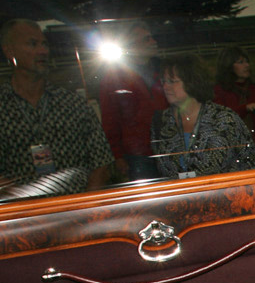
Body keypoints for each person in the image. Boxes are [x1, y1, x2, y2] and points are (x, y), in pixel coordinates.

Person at [0, 19, 113, 193]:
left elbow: (101, 162)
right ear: (9, 51)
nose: (43, 51)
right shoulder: (3, 106)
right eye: (32, 44)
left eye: (44, 44)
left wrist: (84, 208)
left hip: (78, 207)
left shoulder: (72, 104)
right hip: (21, 214)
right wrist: (27, 208)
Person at [151, 54, 255, 178]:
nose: (165, 87)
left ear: (192, 82)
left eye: (172, 81)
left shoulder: (224, 119)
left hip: (224, 194)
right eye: (164, 81)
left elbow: (249, 163)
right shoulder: (162, 121)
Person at [98, 23, 167, 181]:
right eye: (146, 39)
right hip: (137, 156)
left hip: (167, 149)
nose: (153, 42)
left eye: (151, 37)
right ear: (132, 45)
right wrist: (118, 156)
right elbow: (110, 119)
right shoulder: (114, 78)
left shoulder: (162, 71)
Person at [213, 47, 255, 166]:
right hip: (231, 155)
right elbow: (219, 121)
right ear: (228, 66)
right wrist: (245, 108)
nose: (247, 65)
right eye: (241, 62)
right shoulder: (218, 92)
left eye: (247, 61)